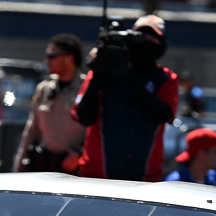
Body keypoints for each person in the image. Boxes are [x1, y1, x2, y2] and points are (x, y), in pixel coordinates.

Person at [71, 15, 179, 182]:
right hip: (96, 177)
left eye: (152, 38)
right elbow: (83, 117)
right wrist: (98, 71)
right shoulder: (103, 72)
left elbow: (164, 115)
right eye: (140, 36)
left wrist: (130, 78)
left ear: (162, 44)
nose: (145, 41)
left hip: (145, 179)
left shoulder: (166, 79)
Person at [13, 33, 86, 174]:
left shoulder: (86, 90)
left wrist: (79, 154)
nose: (46, 61)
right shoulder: (44, 89)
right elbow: (32, 128)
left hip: (73, 169)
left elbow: (96, 131)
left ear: (69, 59)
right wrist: (20, 161)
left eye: (52, 56)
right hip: (43, 165)